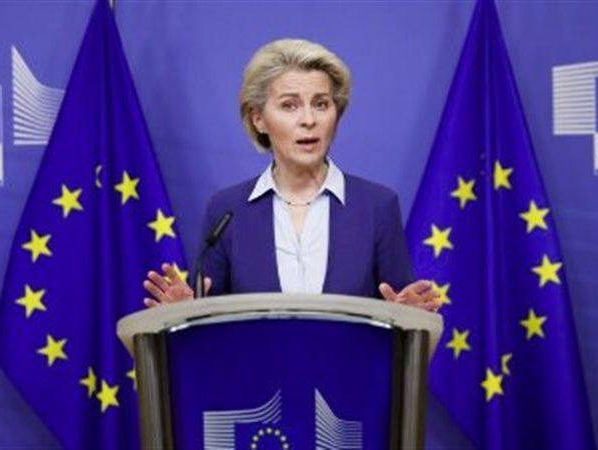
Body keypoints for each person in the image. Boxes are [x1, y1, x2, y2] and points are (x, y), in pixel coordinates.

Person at [143, 38, 440, 312]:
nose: (309, 120)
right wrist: (186, 314)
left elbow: (400, 309)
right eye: (289, 105)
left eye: (321, 104)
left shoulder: (377, 206)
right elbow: (211, 325)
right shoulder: (227, 211)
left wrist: (407, 314)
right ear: (258, 119)